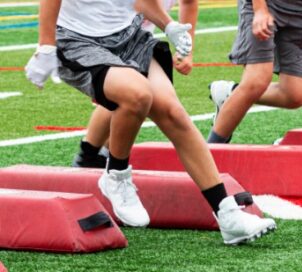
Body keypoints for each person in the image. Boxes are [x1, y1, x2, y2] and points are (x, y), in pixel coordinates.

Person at [25, 0, 276, 245]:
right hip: (78, 39)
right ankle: (116, 176)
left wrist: (168, 25)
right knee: (138, 94)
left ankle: (228, 215)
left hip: (129, 35)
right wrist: (46, 45)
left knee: (174, 115)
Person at [72, 0, 192, 168]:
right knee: (131, 97)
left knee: (141, 100)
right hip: (106, 40)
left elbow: (189, 2)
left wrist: (186, 49)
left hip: (139, 43)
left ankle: (96, 155)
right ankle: (90, 156)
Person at [207, 0, 302, 144]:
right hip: (266, 5)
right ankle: (210, 150)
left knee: (294, 95)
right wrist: (260, 9)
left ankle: (231, 92)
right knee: (256, 82)